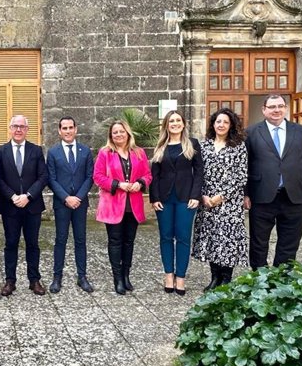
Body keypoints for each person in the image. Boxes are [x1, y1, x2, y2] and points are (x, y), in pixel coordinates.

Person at [244, 94, 302, 269]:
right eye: (272, 107)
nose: (276, 110)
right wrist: (245, 193)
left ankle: (282, 279)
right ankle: (259, 279)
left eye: (280, 106)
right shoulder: (251, 132)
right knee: (258, 242)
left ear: (285, 108)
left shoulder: (300, 131)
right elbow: (244, 166)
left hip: (294, 196)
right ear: (264, 110)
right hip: (262, 196)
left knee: (289, 242)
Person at [93, 120, 152, 295]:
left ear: (128, 133)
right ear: (111, 136)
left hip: (133, 205)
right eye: (115, 132)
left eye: (121, 131)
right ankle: (117, 278)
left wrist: (140, 183)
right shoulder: (105, 153)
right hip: (112, 205)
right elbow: (98, 176)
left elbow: (148, 175)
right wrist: (118, 184)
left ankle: (126, 275)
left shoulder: (139, 152)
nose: (118, 135)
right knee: (115, 241)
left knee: (129, 242)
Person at [192, 108, 248, 289]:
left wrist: (221, 197)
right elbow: (197, 172)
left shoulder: (238, 146)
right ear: (213, 124)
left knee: (227, 240)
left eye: (225, 122)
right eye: (218, 121)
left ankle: (226, 280)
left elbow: (241, 176)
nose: (221, 125)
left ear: (231, 125)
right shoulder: (204, 145)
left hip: (228, 203)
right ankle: (214, 278)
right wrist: (203, 196)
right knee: (212, 240)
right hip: (206, 201)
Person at [150, 110, 203, 295]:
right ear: (166, 124)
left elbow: (199, 172)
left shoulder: (192, 144)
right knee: (165, 237)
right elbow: (154, 176)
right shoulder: (160, 146)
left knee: (182, 238)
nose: (175, 123)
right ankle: (168, 275)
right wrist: (154, 198)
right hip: (164, 199)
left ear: (183, 123)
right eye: (171, 121)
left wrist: (196, 196)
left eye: (178, 120)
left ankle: (180, 277)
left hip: (185, 199)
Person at [0, 115, 48, 296]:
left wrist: (28, 195)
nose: (18, 130)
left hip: (32, 206)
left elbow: (43, 177)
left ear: (27, 129)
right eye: (15, 126)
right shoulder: (0, 151)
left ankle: (34, 280)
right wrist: (12, 196)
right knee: (11, 243)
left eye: (22, 126)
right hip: (10, 206)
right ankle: (10, 281)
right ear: (9, 128)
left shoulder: (36, 150)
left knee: (32, 243)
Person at [46, 116, 95, 293]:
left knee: (80, 240)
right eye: (64, 128)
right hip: (62, 203)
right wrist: (66, 197)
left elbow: (90, 176)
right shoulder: (53, 152)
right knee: (61, 239)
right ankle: (57, 277)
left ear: (75, 129)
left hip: (80, 203)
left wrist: (78, 197)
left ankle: (82, 276)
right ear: (59, 131)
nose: (67, 131)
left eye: (70, 127)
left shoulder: (85, 151)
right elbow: (51, 179)